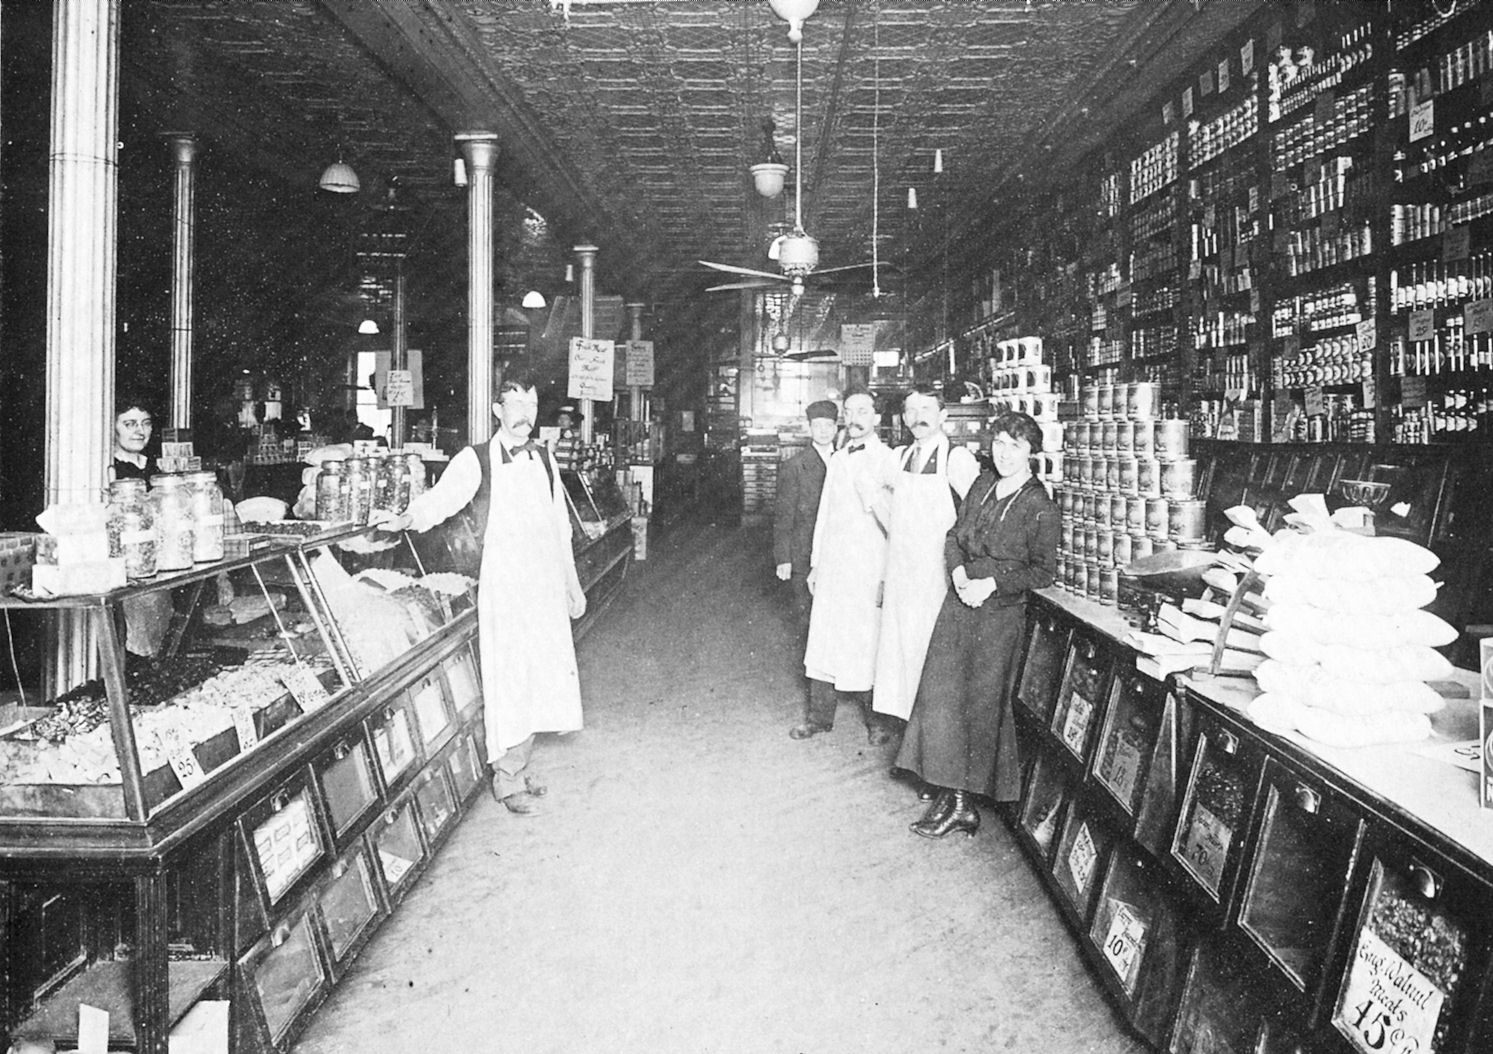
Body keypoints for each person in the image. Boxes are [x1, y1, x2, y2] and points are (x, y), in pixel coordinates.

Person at [376, 372, 586, 816]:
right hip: (507, 587)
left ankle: (517, 765)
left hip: (544, 586)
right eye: (514, 404)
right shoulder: (477, 460)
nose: (524, 414)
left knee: (539, 678)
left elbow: (560, 527)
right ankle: (506, 780)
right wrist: (408, 518)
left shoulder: (545, 459)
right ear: (497, 410)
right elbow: (442, 499)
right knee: (509, 679)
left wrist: (572, 585)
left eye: (530, 404)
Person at [897, 410, 1059, 839]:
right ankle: (948, 795)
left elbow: (1043, 572)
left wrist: (992, 583)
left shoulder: (1039, 505)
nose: (1005, 454)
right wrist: (957, 574)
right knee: (941, 695)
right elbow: (954, 536)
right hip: (959, 602)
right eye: (1000, 444)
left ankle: (963, 805)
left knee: (979, 707)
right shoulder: (983, 485)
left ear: (1032, 453)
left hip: (997, 616)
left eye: (1016, 446)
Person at [871, 387, 979, 736]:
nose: (918, 416)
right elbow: (883, 503)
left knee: (933, 654)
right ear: (903, 418)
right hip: (903, 572)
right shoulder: (898, 457)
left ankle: (931, 735)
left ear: (943, 415)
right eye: (911, 410)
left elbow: (975, 518)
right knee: (901, 649)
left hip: (937, 577)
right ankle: (908, 731)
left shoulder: (956, 458)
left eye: (926, 408)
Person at [796, 389, 899, 743]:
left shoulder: (889, 459)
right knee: (824, 639)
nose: (854, 418)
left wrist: (888, 574)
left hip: (869, 567)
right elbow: (825, 514)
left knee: (868, 641)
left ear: (877, 419)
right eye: (849, 411)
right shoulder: (838, 458)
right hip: (835, 565)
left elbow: (897, 523)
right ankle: (819, 718)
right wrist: (815, 564)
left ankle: (876, 723)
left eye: (863, 411)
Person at [773, 400, 839, 717]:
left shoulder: (845, 462)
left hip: (840, 557)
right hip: (803, 557)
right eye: (818, 426)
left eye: (829, 425)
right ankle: (819, 704)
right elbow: (783, 516)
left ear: (836, 428)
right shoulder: (795, 466)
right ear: (809, 429)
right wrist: (782, 557)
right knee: (809, 625)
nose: (824, 431)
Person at [110, 395, 158, 483]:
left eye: (146, 423)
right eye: (130, 424)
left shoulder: (153, 466)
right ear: (112, 428)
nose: (141, 431)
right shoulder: (109, 469)